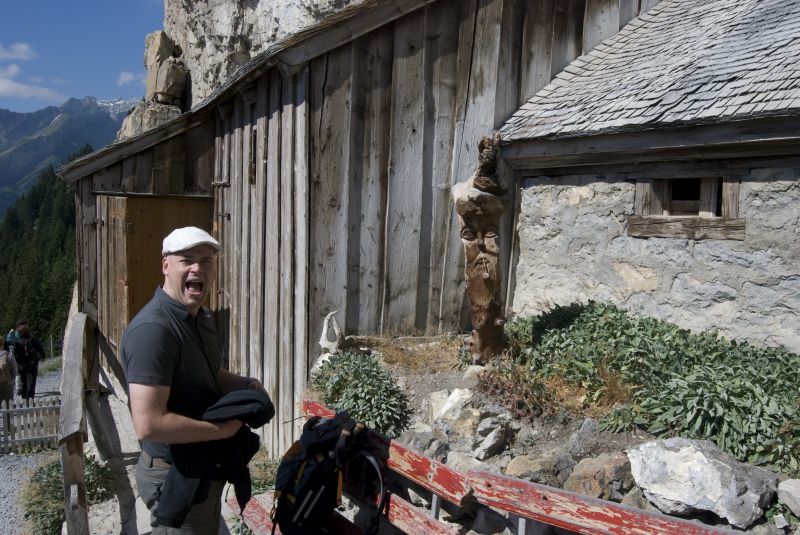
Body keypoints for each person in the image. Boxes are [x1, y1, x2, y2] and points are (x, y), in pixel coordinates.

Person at [120, 226, 267, 534]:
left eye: (206, 260)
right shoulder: (154, 331)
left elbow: (209, 373)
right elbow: (148, 424)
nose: (198, 268)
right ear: (166, 265)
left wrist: (246, 385)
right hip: (175, 474)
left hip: (202, 462)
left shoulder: (202, 318)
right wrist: (220, 431)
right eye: (187, 259)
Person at [13, 319, 45, 399]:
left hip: (22, 364)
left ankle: (25, 398)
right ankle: (30, 397)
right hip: (32, 363)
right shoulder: (31, 338)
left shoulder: (16, 339)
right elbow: (39, 347)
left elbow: (14, 352)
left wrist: (16, 363)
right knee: (32, 381)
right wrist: (43, 356)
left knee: (24, 382)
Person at [0, 335, 18, 403]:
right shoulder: (9, 354)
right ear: (3, 343)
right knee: (8, 404)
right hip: (7, 382)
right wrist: (12, 379)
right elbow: (15, 370)